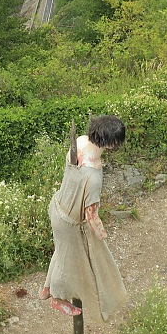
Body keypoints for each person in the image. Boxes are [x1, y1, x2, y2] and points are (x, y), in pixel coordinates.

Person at [39, 115, 127, 321]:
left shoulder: (78, 142)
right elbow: (91, 215)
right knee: (67, 259)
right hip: (69, 221)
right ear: (112, 143)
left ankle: (46, 289)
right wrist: (101, 234)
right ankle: (57, 298)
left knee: (60, 251)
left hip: (57, 205)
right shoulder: (93, 175)